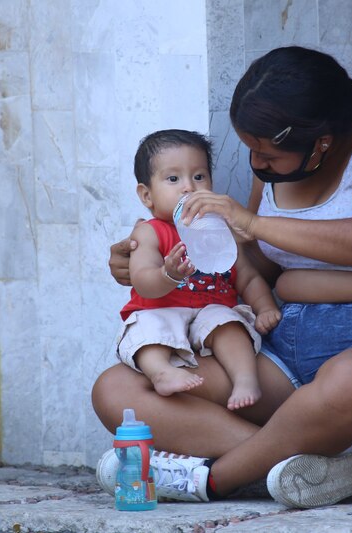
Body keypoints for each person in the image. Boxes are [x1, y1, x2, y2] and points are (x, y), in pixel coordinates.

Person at [93, 46, 352, 508]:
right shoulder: (273, 160)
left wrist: (251, 224)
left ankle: (213, 479)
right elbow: (260, 264)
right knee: (117, 389)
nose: (258, 164)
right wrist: (156, 265)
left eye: (266, 153)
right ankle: (299, 460)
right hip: (288, 342)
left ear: (322, 142)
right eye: (252, 150)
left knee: (350, 381)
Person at [117, 129, 280, 411]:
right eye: (173, 179)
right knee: (146, 331)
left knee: (230, 326)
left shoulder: (221, 229)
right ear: (147, 195)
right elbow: (142, 281)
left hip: (212, 310)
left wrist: (264, 307)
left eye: (199, 176)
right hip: (162, 309)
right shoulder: (149, 232)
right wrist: (167, 274)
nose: (188, 188)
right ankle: (161, 372)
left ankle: (244, 379)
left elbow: (247, 276)